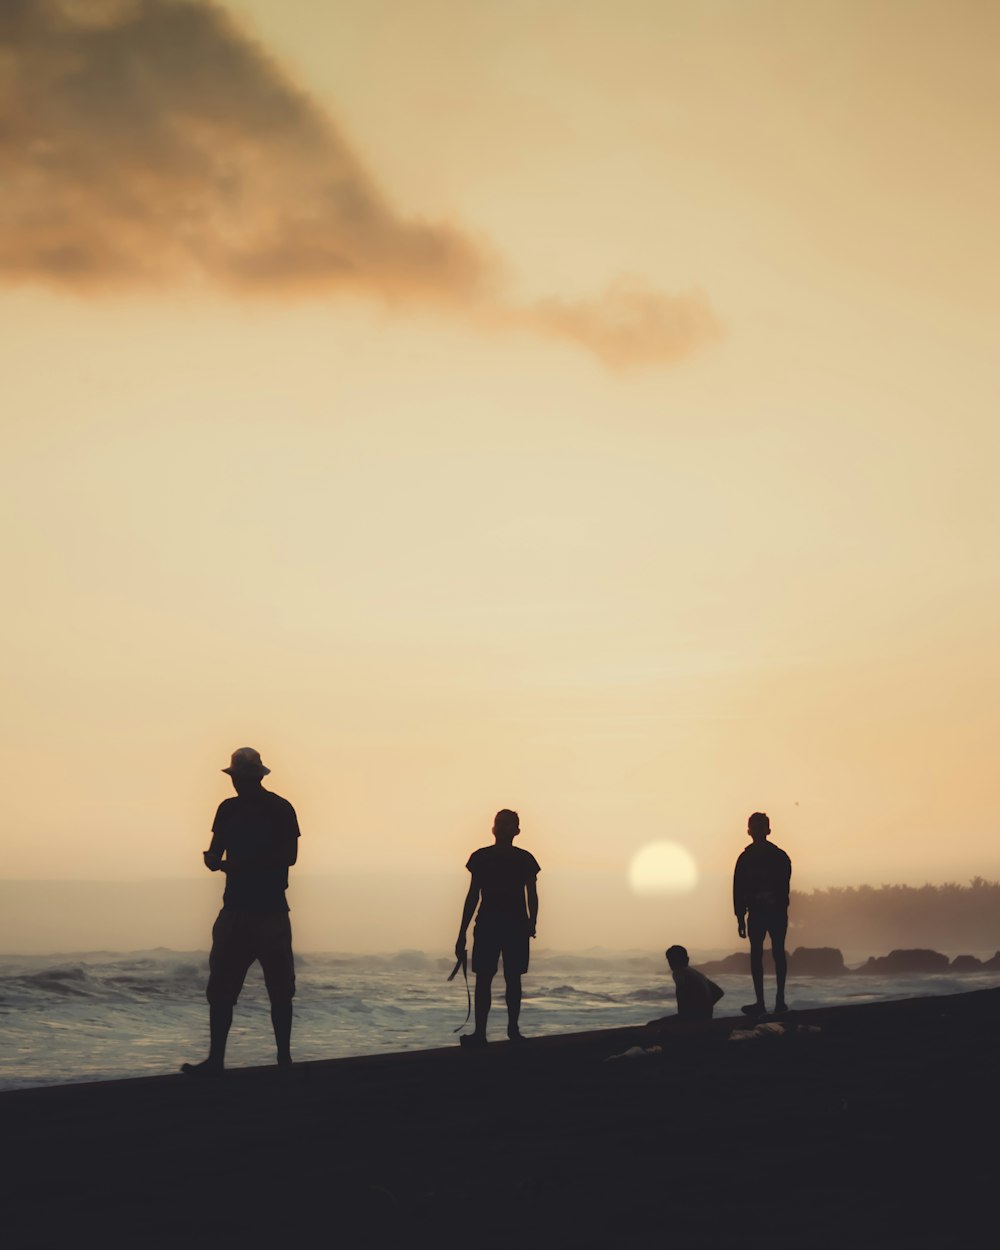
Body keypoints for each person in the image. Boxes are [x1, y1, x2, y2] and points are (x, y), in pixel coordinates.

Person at [182, 747, 300, 1076]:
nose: (236, 784)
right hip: (238, 908)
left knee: (279, 989)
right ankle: (217, 1061)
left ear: (254, 778)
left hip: (268, 910)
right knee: (221, 987)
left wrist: (236, 864)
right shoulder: (228, 809)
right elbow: (216, 849)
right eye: (236, 778)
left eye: (240, 778)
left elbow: (289, 856)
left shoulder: (280, 808)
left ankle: (283, 1060)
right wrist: (212, 860)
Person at [455, 809, 540, 1047]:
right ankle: (480, 1033)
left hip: (516, 926)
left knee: (514, 978)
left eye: (507, 824)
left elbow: (532, 894)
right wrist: (461, 933)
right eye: (499, 824)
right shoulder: (480, 858)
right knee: (484, 978)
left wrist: (532, 922)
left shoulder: (526, 859)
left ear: (517, 831)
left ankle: (513, 1030)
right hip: (487, 924)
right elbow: (472, 896)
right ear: (492, 828)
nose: (501, 828)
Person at [733, 811, 791, 1016]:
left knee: (774, 954)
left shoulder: (777, 857)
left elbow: (783, 887)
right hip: (759, 913)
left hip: (771, 913)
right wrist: (740, 916)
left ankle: (778, 1001)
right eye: (754, 827)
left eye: (759, 827)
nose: (756, 831)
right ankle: (765, 1003)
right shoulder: (748, 858)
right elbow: (737, 889)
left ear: (767, 830)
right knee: (762, 955)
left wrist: (743, 914)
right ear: (749, 831)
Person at [665, 945, 725, 1021]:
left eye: (673, 959)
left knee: (653, 1024)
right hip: (705, 1019)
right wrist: (704, 1009)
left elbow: (681, 999)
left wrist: (687, 1016)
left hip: (691, 1021)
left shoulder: (679, 973)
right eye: (670, 960)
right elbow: (718, 992)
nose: (671, 963)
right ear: (687, 959)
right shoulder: (696, 974)